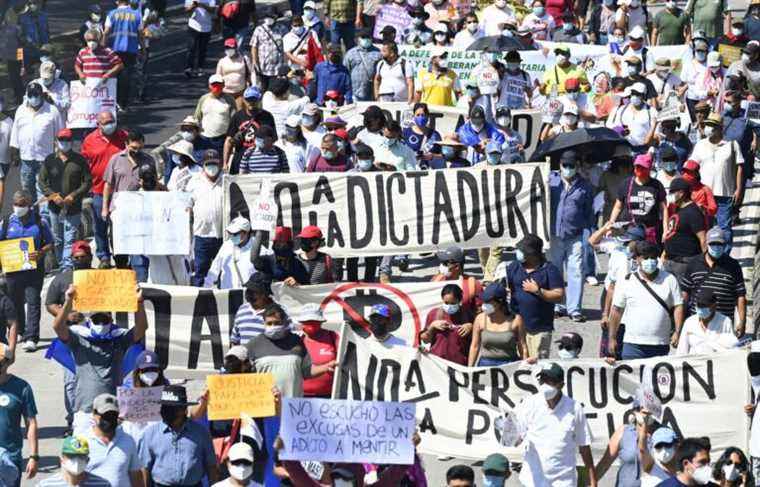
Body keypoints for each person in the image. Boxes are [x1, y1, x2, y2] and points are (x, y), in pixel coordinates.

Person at [53, 283, 147, 431]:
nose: (101, 323)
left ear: (111, 321)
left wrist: (139, 303)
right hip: (86, 412)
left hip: (113, 410)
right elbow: (58, 327)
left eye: (105, 320)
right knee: (82, 454)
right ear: (90, 321)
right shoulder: (78, 339)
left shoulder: (119, 340)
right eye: (97, 320)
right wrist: (68, 301)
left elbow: (141, 328)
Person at [514, 362, 598, 487]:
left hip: (563, 482)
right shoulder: (529, 404)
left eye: (550, 381)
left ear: (561, 385)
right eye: (543, 380)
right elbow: (515, 437)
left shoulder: (574, 409)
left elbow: (584, 446)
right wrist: (512, 436)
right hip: (532, 481)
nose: (545, 384)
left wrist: (593, 480)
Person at [607, 241, 684, 360]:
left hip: (660, 344)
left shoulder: (669, 279)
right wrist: (612, 338)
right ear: (637, 259)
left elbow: (678, 306)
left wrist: (677, 332)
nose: (650, 261)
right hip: (633, 344)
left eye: (653, 258)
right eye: (646, 258)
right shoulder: (627, 281)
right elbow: (616, 310)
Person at [0, 190, 53, 352]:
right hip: (13, 270)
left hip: (33, 269)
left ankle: (32, 337)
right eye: (16, 204)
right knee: (15, 301)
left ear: (29, 205)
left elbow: (50, 243)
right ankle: (21, 331)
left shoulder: (40, 221)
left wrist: (40, 252)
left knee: (33, 300)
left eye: (22, 205)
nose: (18, 207)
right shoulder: (7, 222)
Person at [246, 304, 334, 397]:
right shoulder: (254, 344)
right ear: (264, 323)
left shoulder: (296, 341)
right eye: (269, 323)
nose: (273, 326)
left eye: (277, 323)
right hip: (266, 406)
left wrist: (326, 367)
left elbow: (307, 371)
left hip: (293, 406)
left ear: (284, 322)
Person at [138, 385, 220, 485]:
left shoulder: (201, 433)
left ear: (183, 409)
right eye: (164, 407)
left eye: (171, 408)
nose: (166, 411)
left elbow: (211, 466)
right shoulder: (150, 433)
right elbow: (144, 468)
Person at [550, 150, 594, 323]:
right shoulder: (551, 180)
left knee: (576, 271)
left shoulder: (585, 186)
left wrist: (589, 233)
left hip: (575, 235)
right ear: (560, 165)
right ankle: (557, 305)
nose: (567, 169)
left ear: (577, 167)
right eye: (564, 165)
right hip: (554, 234)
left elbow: (589, 211)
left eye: (571, 166)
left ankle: (574, 309)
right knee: (555, 271)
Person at [503, 234, 564, 359]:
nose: (519, 253)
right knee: (518, 363)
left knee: (537, 365)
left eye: (523, 251)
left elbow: (559, 296)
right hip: (517, 326)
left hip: (539, 329)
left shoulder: (549, 270)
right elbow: (505, 286)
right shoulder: (515, 266)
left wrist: (538, 291)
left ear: (533, 254)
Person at [38, 128, 92, 270]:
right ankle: (62, 263)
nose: (65, 143)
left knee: (70, 238)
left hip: (73, 208)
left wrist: (73, 195)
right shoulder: (49, 160)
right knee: (57, 239)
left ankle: (67, 267)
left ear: (72, 142)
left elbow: (87, 182)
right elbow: (42, 182)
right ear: (56, 141)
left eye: (67, 140)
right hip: (54, 208)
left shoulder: (80, 160)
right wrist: (53, 195)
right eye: (62, 140)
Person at [690, 113, 743, 252]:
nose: (709, 128)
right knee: (705, 226)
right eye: (708, 125)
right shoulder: (700, 145)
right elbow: (692, 165)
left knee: (724, 227)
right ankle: (707, 254)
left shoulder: (731, 144)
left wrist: (738, 189)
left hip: (724, 194)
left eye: (712, 126)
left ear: (720, 128)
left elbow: (740, 167)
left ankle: (724, 255)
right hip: (704, 195)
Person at [81, 111, 128, 268]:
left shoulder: (123, 136)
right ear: (98, 125)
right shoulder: (89, 141)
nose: (110, 124)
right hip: (99, 191)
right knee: (100, 227)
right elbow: (84, 164)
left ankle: (121, 256)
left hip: (121, 192)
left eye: (112, 121)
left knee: (119, 227)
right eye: (106, 122)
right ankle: (104, 257)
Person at [680, 226, 746, 335]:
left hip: (724, 325)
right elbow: (685, 295)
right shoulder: (694, 263)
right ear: (706, 244)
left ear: (724, 245)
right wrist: (680, 324)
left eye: (719, 244)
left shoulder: (733, 265)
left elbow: (741, 296)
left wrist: (742, 322)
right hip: (698, 324)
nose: (716, 247)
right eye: (713, 244)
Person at [9, 82, 64, 202]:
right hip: (26, 159)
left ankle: (44, 219)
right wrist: (14, 153)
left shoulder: (52, 111)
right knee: (27, 191)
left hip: (45, 160)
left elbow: (61, 135)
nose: (33, 97)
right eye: (31, 94)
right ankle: (32, 217)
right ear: (27, 95)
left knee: (44, 192)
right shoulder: (20, 110)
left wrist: (60, 156)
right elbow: (15, 132)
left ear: (42, 95)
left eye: (36, 94)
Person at [595, 391, 660, 486]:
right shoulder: (623, 432)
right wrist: (590, 482)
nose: (648, 416)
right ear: (635, 412)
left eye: (651, 412)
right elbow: (604, 464)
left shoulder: (662, 434)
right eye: (645, 413)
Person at [82, 393, 142, 487]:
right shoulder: (82, 441)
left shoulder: (128, 441)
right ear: (94, 414)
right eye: (105, 415)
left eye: (113, 415)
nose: (109, 419)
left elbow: (136, 475)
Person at [0, 342, 38, 486]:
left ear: (7, 362)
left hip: (10, 458)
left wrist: (34, 456)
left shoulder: (22, 387)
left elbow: (31, 423)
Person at [607, 153, 666, 244]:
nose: (639, 169)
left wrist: (665, 230)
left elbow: (664, 209)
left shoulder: (657, 185)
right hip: (629, 231)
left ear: (649, 168)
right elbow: (617, 207)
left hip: (650, 232)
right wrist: (611, 225)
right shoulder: (626, 184)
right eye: (637, 167)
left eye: (642, 167)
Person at [188, 150, 225, 286]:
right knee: (200, 271)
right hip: (202, 235)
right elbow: (186, 204)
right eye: (208, 164)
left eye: (214, 163)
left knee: (222, 271)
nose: (212, 167)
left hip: (222, 235)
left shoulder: (227, 180)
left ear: (220, 164)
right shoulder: (194, 182)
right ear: (203, 165)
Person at [468, 282, 525, 366]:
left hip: (509, 365)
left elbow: (522, 347)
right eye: (484, 301)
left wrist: (526, 368)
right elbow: (474, 346)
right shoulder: (480, 319)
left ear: (499, 302)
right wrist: (470, 369)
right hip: (485, 365)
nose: (484, 305)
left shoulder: (516, 320)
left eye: (488, 302)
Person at [662, 177, 707, 281]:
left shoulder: (693, 212)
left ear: (681, 193)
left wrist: (706, 263)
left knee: (683, 295)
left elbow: (703, 239)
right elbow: (673, 233)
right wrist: (664, 254)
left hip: (684, 264)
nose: (670, 195)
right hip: (670, 261)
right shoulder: (678, 209)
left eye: (672, 192)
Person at [205, 216, 268, 289]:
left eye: (235, 234)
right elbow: (214, 270)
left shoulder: (260, 249)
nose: (232, 236)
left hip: (248, 297)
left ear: (246, 233)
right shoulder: (226, 246)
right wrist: (206, 288)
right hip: (227, 295)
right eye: (230, 233)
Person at [420, 284, 474, 366]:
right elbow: (425, 340)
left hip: (460, 364)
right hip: (438, 364)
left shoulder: (467, 314)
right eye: (446, 303)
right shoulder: (434, 314)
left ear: (459, 301)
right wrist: (432, 326)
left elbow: (478, 340)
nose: (449, 306)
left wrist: (471, 327)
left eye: (453, 303)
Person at [103, 0, 143, 110]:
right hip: (130, 49)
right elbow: (140, 34)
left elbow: (106, 32)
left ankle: (112, 101)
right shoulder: (136, 14)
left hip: (114, 49)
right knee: (126, 77)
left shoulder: (111, 14)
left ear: (117, 2)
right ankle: (123, 103)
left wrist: (102, 46)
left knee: (113, 75)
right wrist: (143, 48)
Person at [676, 288, 738, 355]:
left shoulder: (725, 322)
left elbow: (732, 349)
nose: (701, 309)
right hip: (694, 363)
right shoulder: (689, 322)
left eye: (704, 306)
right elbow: (681, 351)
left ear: (714, 306)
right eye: (699, 305)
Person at [299, 304, 339, 398]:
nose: (311, 324)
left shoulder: (333, 337)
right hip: (299, 397)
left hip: (329, 397)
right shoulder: (296, 340)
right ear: (301, 322)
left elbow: (345, 361)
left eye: (314, 321)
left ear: (321, 322)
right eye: (307, 321)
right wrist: (326, 367)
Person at [37, 436, 110, 487]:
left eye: (81, 456)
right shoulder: (46, 485)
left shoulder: (102, 484)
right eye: (71, 456)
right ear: (61, 459)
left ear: (87, 460)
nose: (76, 460)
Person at [195, 74, 237, 154]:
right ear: (209, 86)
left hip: (221, 138)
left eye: (219, 84)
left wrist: (231, 138)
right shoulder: (203, 99)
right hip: (204, 138)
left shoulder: (229, 100)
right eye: (214, 84)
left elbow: (234, 120)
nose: (216, 87)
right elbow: (197, 117)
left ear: (223, 85)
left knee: (219, 162)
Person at [230, 274, 275, 346]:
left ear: (264, 294)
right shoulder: (242, 309)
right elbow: (235, 340)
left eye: (253, 291)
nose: (248, 294)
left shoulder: (278, 312)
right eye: (248, 289)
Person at [344, 27, 382, 102]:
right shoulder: (351, 53)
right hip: (355, 93)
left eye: (368, 37)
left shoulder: (378, 53)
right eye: (363, 37)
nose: (366, 39)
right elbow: (346, 72)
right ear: (358, 38)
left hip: (372, 93)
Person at [250, 9, 284, 91]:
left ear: (275, 17)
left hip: (277, 68)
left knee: (276, 91)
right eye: (267, 17)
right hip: (263, 68)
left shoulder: (282, 29)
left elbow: (287, 46)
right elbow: (254, 47)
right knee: (263, 91)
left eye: (271, 17)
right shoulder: (259, 29)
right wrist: (255, 62)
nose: (268, 19)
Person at [183, 0, 216, 78]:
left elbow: (213, 10)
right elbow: (186, 10)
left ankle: (200, 68)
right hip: (193, 26)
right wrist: (193, 6)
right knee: (191, 48)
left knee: (202, 49)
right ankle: (189, 68)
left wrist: (201, 5)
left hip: (206, 28)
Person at [216, 38, 249, 107]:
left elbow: (252, 73)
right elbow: (217, 78)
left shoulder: (244, 59)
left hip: (240, 93)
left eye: (231, 48)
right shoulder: (222, 61)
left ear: (236, 48)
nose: (229, 50)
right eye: (227, 48)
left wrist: (253, 85)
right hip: (225, 93)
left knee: (239, 112)